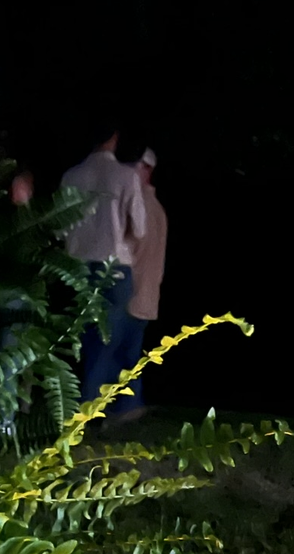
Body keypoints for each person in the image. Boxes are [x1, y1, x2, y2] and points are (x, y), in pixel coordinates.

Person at [60, 127, 146, 404]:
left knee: (79, 338)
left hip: (76, 267)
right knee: (109, 339)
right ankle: (93, 404)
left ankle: (78, 401)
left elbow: (60, 227)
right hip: (114, 266)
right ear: (115, 138)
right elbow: (140, 228)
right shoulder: (126, 176)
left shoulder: (71, 176)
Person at [123, 147, 167, 416]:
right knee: (129, 353)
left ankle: (125, 406)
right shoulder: (158, 209)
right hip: (147, 293)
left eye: (136, 167)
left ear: (147, 171)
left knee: (122, 352)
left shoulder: (142, 208)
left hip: (134, 290)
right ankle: (130, 405)